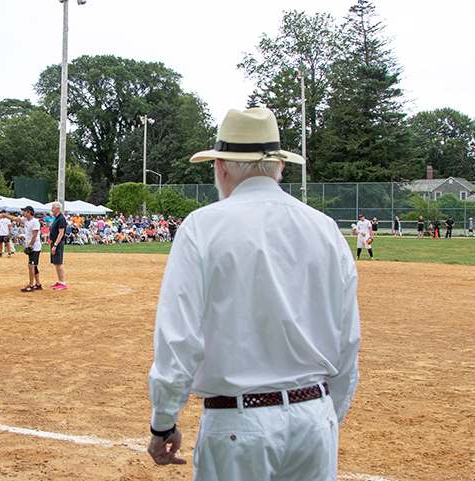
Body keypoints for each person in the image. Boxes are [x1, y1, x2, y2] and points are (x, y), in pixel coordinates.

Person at [147, 107, 360, 480]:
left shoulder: (202, 227)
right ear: (280, 167)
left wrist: (163, 422)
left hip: (238, 424)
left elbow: (178, 338)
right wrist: (325, 416)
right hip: (315, 415)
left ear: (221, 167)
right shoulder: (326, 229)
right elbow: (348, 343)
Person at [4, 206, 43, 292]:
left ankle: (31, 285)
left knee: (31, 266)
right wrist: (4, 215)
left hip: (35, 247)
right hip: (31, 246)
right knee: (34, 266)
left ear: (29, 212)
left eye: (25, 211)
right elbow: (14, 218)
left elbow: (35, 235)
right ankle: (38, 284)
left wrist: (30, 246)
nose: (23, 213)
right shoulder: (26, 220)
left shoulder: (35, 222)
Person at [49, 202, 67, 290]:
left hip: (58, 243)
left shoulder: (61, 218)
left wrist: (55, 245)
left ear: (58, 209)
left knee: (59, 262)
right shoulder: (57, 218)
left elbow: (61, 233)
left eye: (53, 208)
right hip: (54, 242)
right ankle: (60, 281)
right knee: (56, 263)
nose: (51, 210)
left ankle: (63, 282)